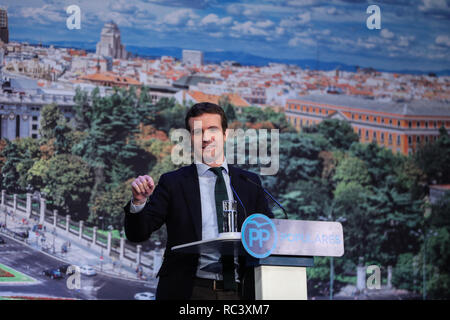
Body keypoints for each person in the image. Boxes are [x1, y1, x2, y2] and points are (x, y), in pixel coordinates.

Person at [124, 102, 273, 300]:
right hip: (188, 290)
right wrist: (139, 202)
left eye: (212, 129)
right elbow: (137, 234)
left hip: (240, 292)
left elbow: (269, 235)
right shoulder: (173, 183)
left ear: (225, 135)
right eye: (197, 132)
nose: (205, 138)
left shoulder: (249, 182)